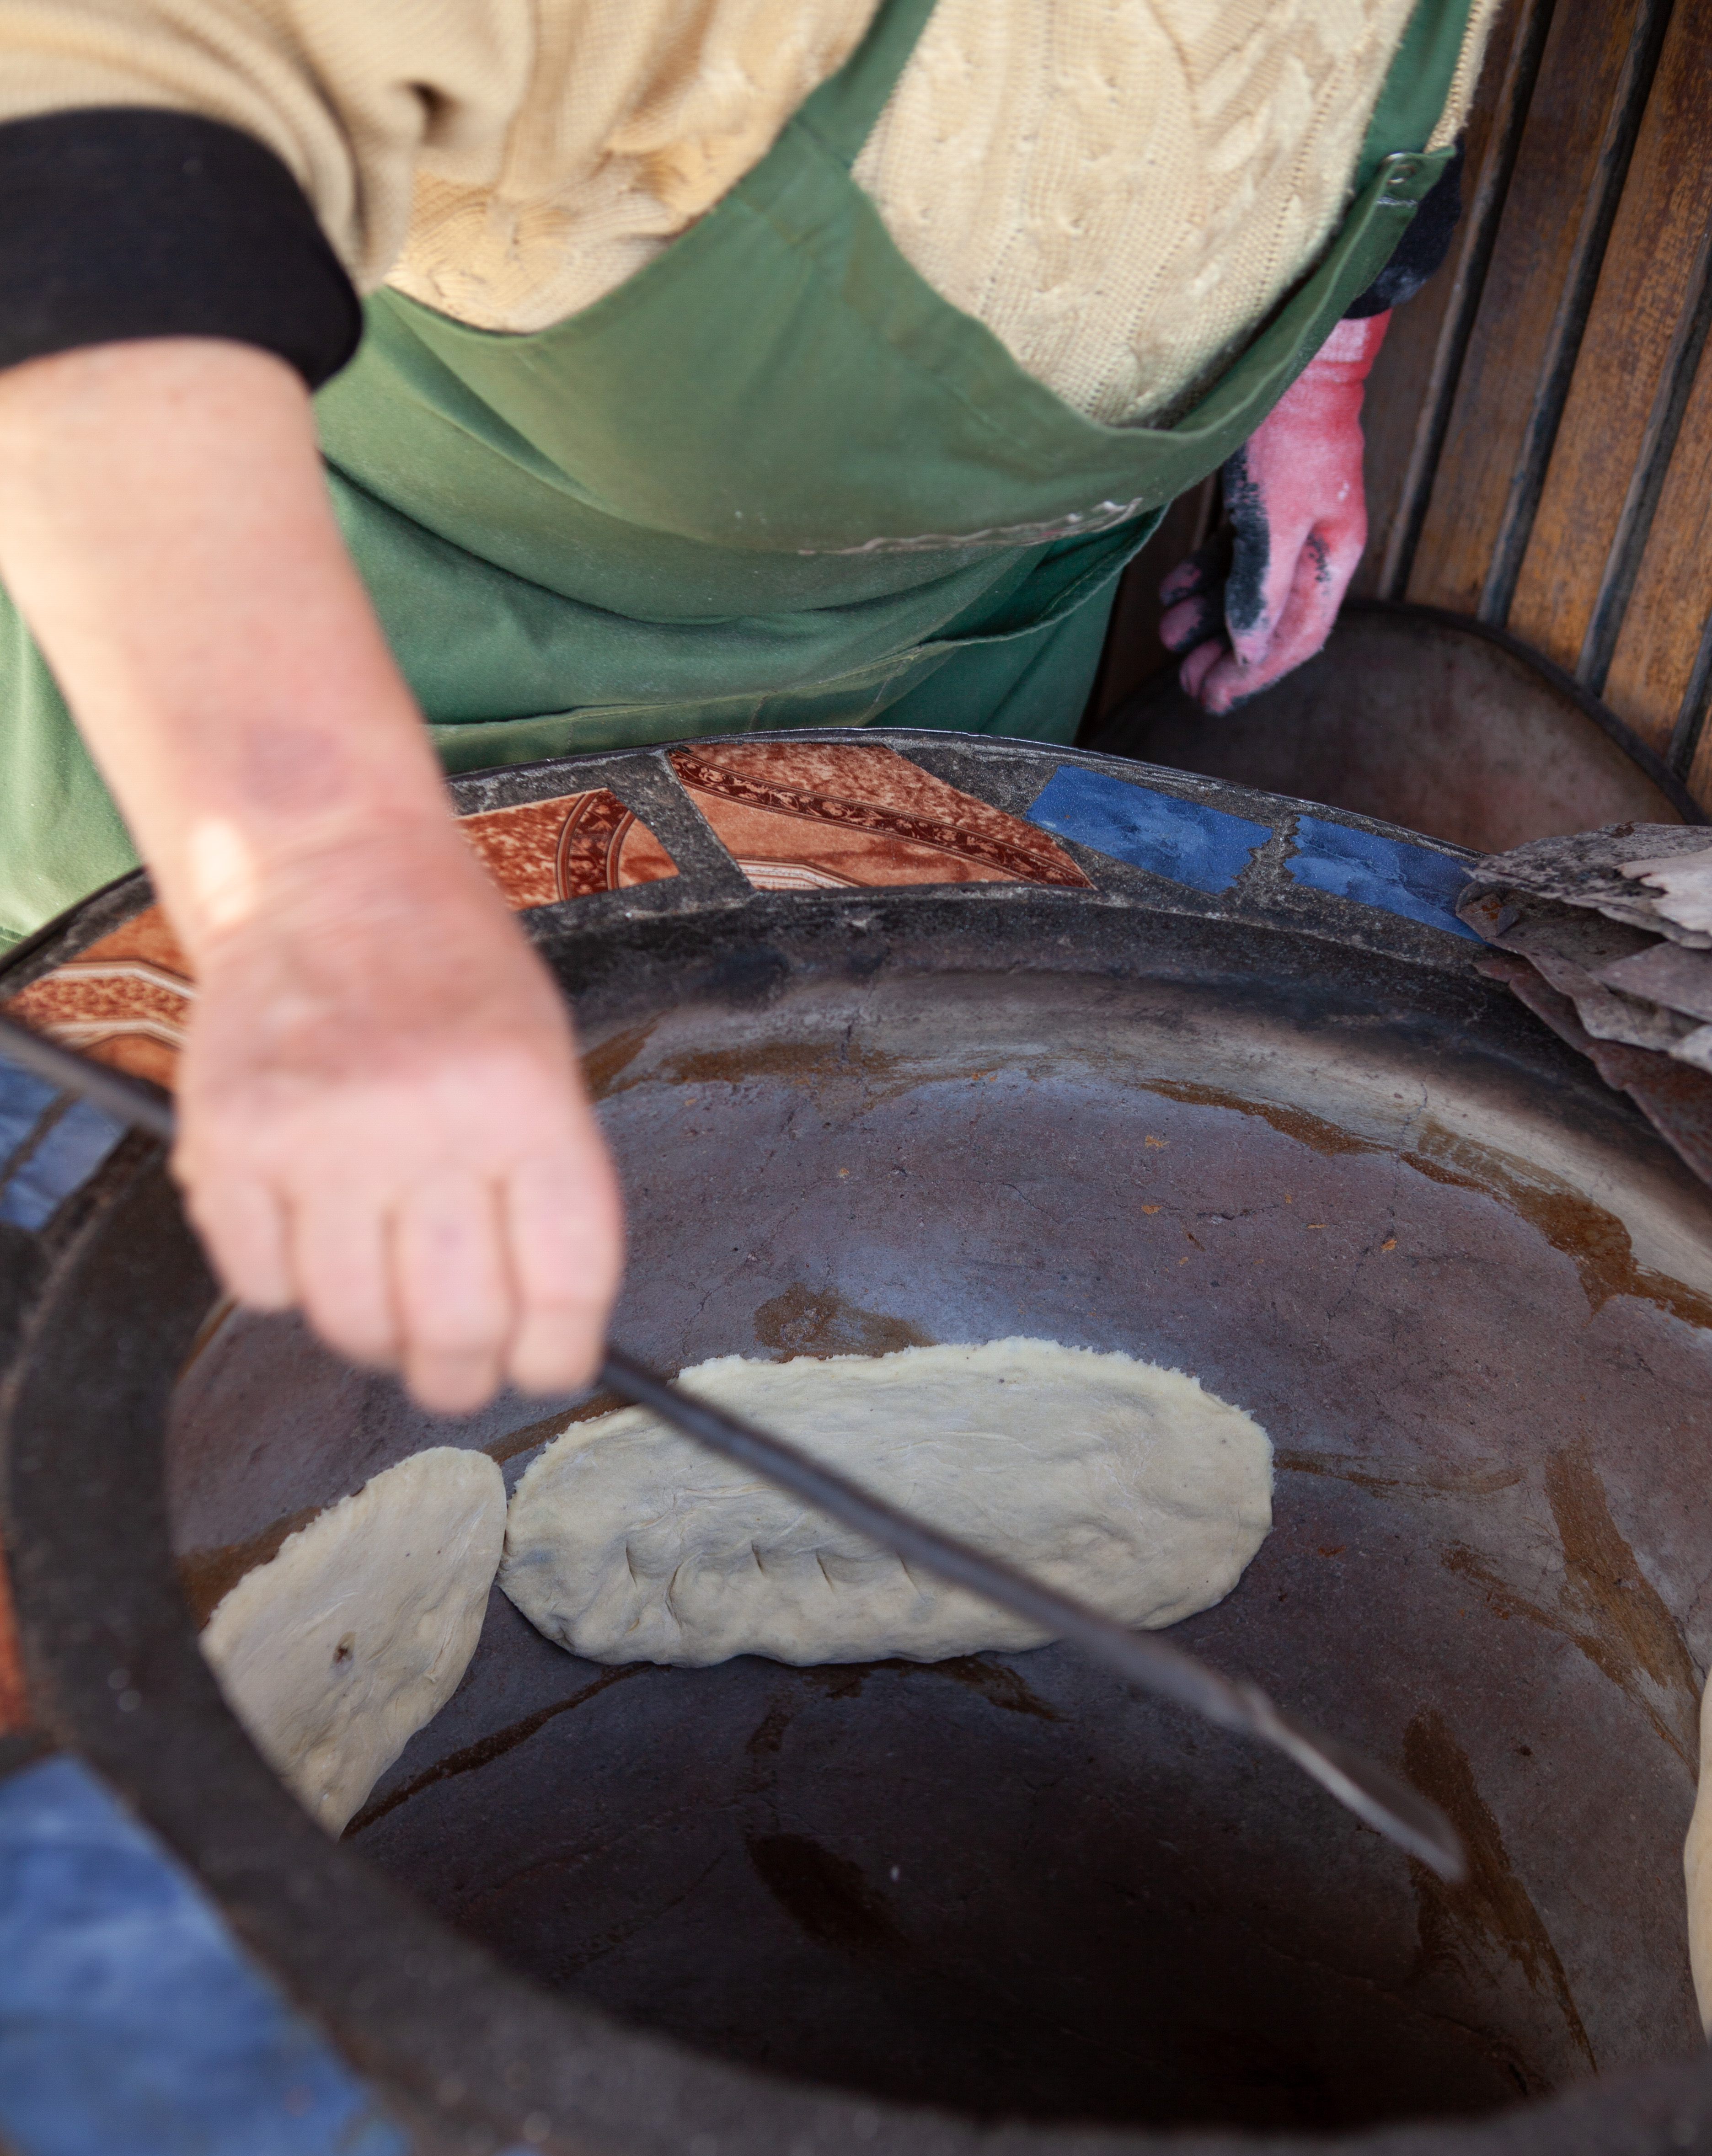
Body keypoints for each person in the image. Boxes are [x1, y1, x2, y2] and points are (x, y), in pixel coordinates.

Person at [0, 0, 1493, 1413]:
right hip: (321, 712)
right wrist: (316, 885)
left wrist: (1313, 357)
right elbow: (78, 93)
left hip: (947, 669)